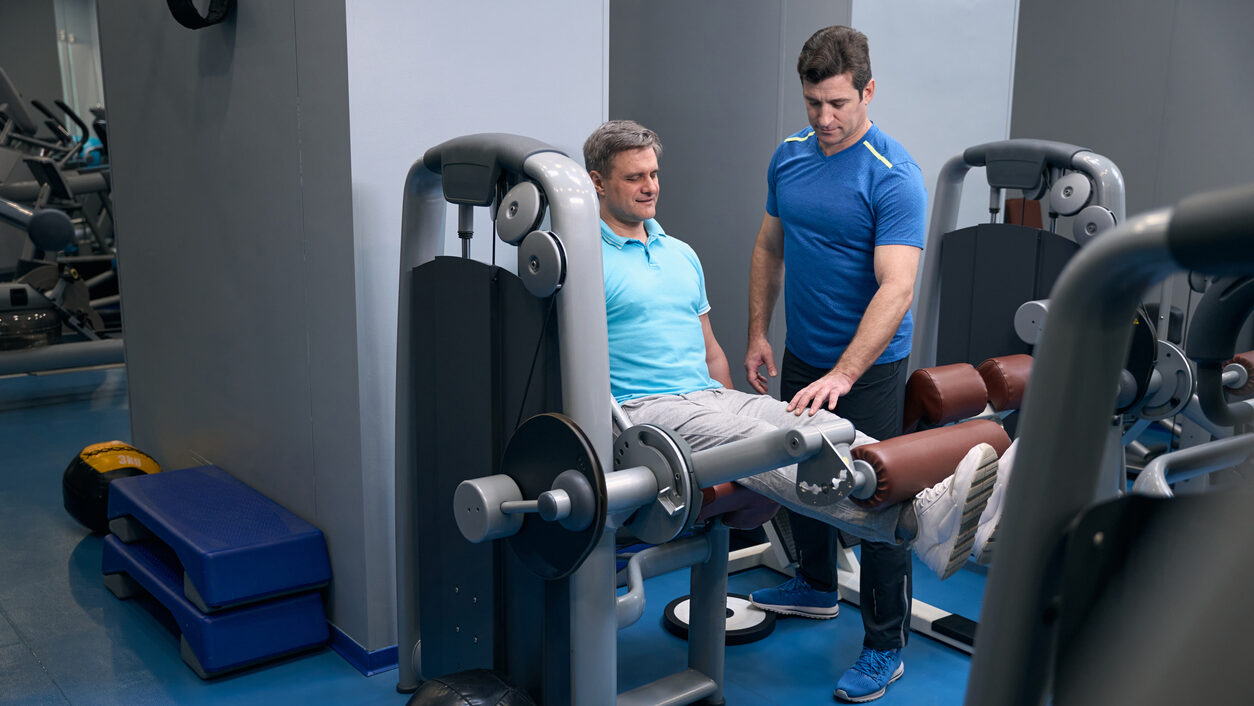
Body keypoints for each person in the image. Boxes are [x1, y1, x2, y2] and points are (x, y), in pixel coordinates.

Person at [584, 119, 1005, 701]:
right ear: (597, 184)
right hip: (646, 413)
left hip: (706, 395)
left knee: (815, 425)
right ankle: (913, 521)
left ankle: (940, 502)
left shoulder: (678, 252)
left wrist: (740, 401)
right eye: (634, 177)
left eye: (654, 173)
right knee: (771, 446)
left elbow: (708, 348)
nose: (650, 187)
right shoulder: (581, 262)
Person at [743, 26, 931, 701]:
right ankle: (817, 585)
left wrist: (846, 375)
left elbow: (897, 287)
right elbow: (770, 246)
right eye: (812, 103)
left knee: (877, 499)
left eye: (838, 104)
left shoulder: (894, 175)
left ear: (868, 91)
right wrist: (759, 332)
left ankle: (886, 645)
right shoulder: (789, 157)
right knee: (800, 472)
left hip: (871, 368)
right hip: (803, 353)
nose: (824, 119)